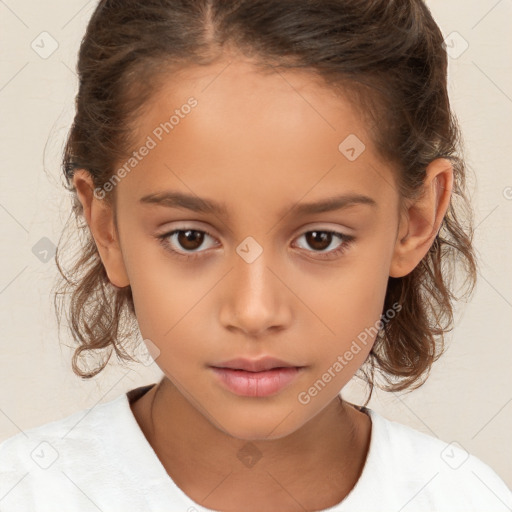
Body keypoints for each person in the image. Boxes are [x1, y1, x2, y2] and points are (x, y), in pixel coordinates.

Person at [1, 1, 511, 511]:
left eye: (320, 239)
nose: (254, 311)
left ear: (415, 220)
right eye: (189, 238)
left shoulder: (463, 498)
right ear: (107, 228)